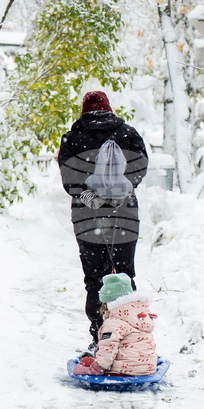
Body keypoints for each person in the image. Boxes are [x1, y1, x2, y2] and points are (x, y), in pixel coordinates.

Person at [58, 91, 148, 350]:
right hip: (125, 215)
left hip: (88, 217)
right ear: (109, 109)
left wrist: (87, 196)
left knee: (95, 277)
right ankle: (129, 337)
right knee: (124, 273)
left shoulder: (72, 138)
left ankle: (101, 337)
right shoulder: (128, 134)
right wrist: (123, 191)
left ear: (84, 111)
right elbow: (139, 168)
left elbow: (69, 176)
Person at [72, 273, 157, 377]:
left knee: (82, 365)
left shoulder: (114, 322)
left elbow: (108, 348)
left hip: (123, 371)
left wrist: (96, 368)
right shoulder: (141, 314)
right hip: (147, 368)